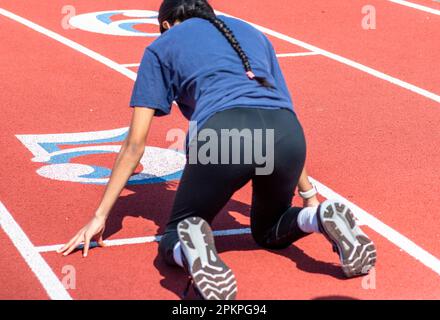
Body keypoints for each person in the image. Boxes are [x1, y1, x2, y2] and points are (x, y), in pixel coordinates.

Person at [58, 0, 376, 300]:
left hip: (224, 135)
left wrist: (99, 216)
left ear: (166, 24)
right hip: (287, 133)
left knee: (175, 233)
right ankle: (318, 217)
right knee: (269, 228)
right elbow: (280, 107)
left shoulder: (160, 47)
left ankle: (192, 244)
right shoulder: (253, 33)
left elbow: (134, 145)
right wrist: (309, 195)